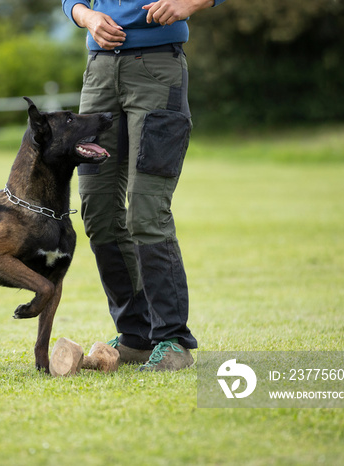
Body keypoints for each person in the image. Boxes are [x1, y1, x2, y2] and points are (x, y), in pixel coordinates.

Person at [61, 0, 225, 371]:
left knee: (147, 211)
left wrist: (189, 3)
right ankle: (136, 335)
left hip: (156, 69)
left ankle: (172, 339)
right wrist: (86, 17)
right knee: (97, 210)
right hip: (99, 72)